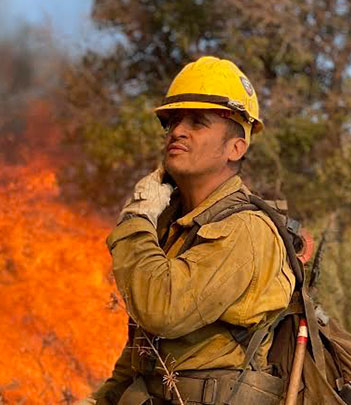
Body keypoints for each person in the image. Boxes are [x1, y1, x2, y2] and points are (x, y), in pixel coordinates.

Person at [79, 56, 295, 405]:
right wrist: (102, 399)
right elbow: (146, 348)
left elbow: (161, 309)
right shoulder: (176, 222)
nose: (177, 130)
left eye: (197, 122)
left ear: (235, 147)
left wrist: (136, 218)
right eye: (173, 120)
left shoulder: (244, 230)